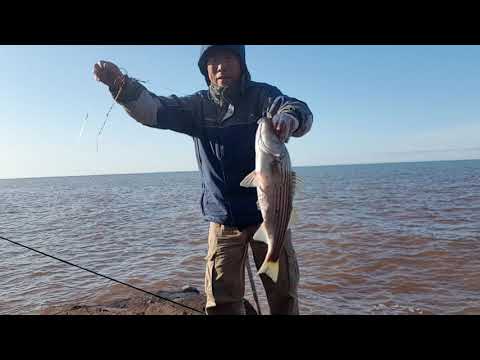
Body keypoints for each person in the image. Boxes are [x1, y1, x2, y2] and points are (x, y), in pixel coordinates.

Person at [93, 45, 313, 315]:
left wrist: (289, 117)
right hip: (223, 219)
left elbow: (298, 108)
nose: (221, 66)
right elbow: (154, 111)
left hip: (269, 216)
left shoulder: (263, 96)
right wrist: (121, 86)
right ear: (205, 69)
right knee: (221, 301)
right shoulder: (198, 106)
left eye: (229, 57)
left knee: (284, 296)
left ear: (241, 62)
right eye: (213, 60)